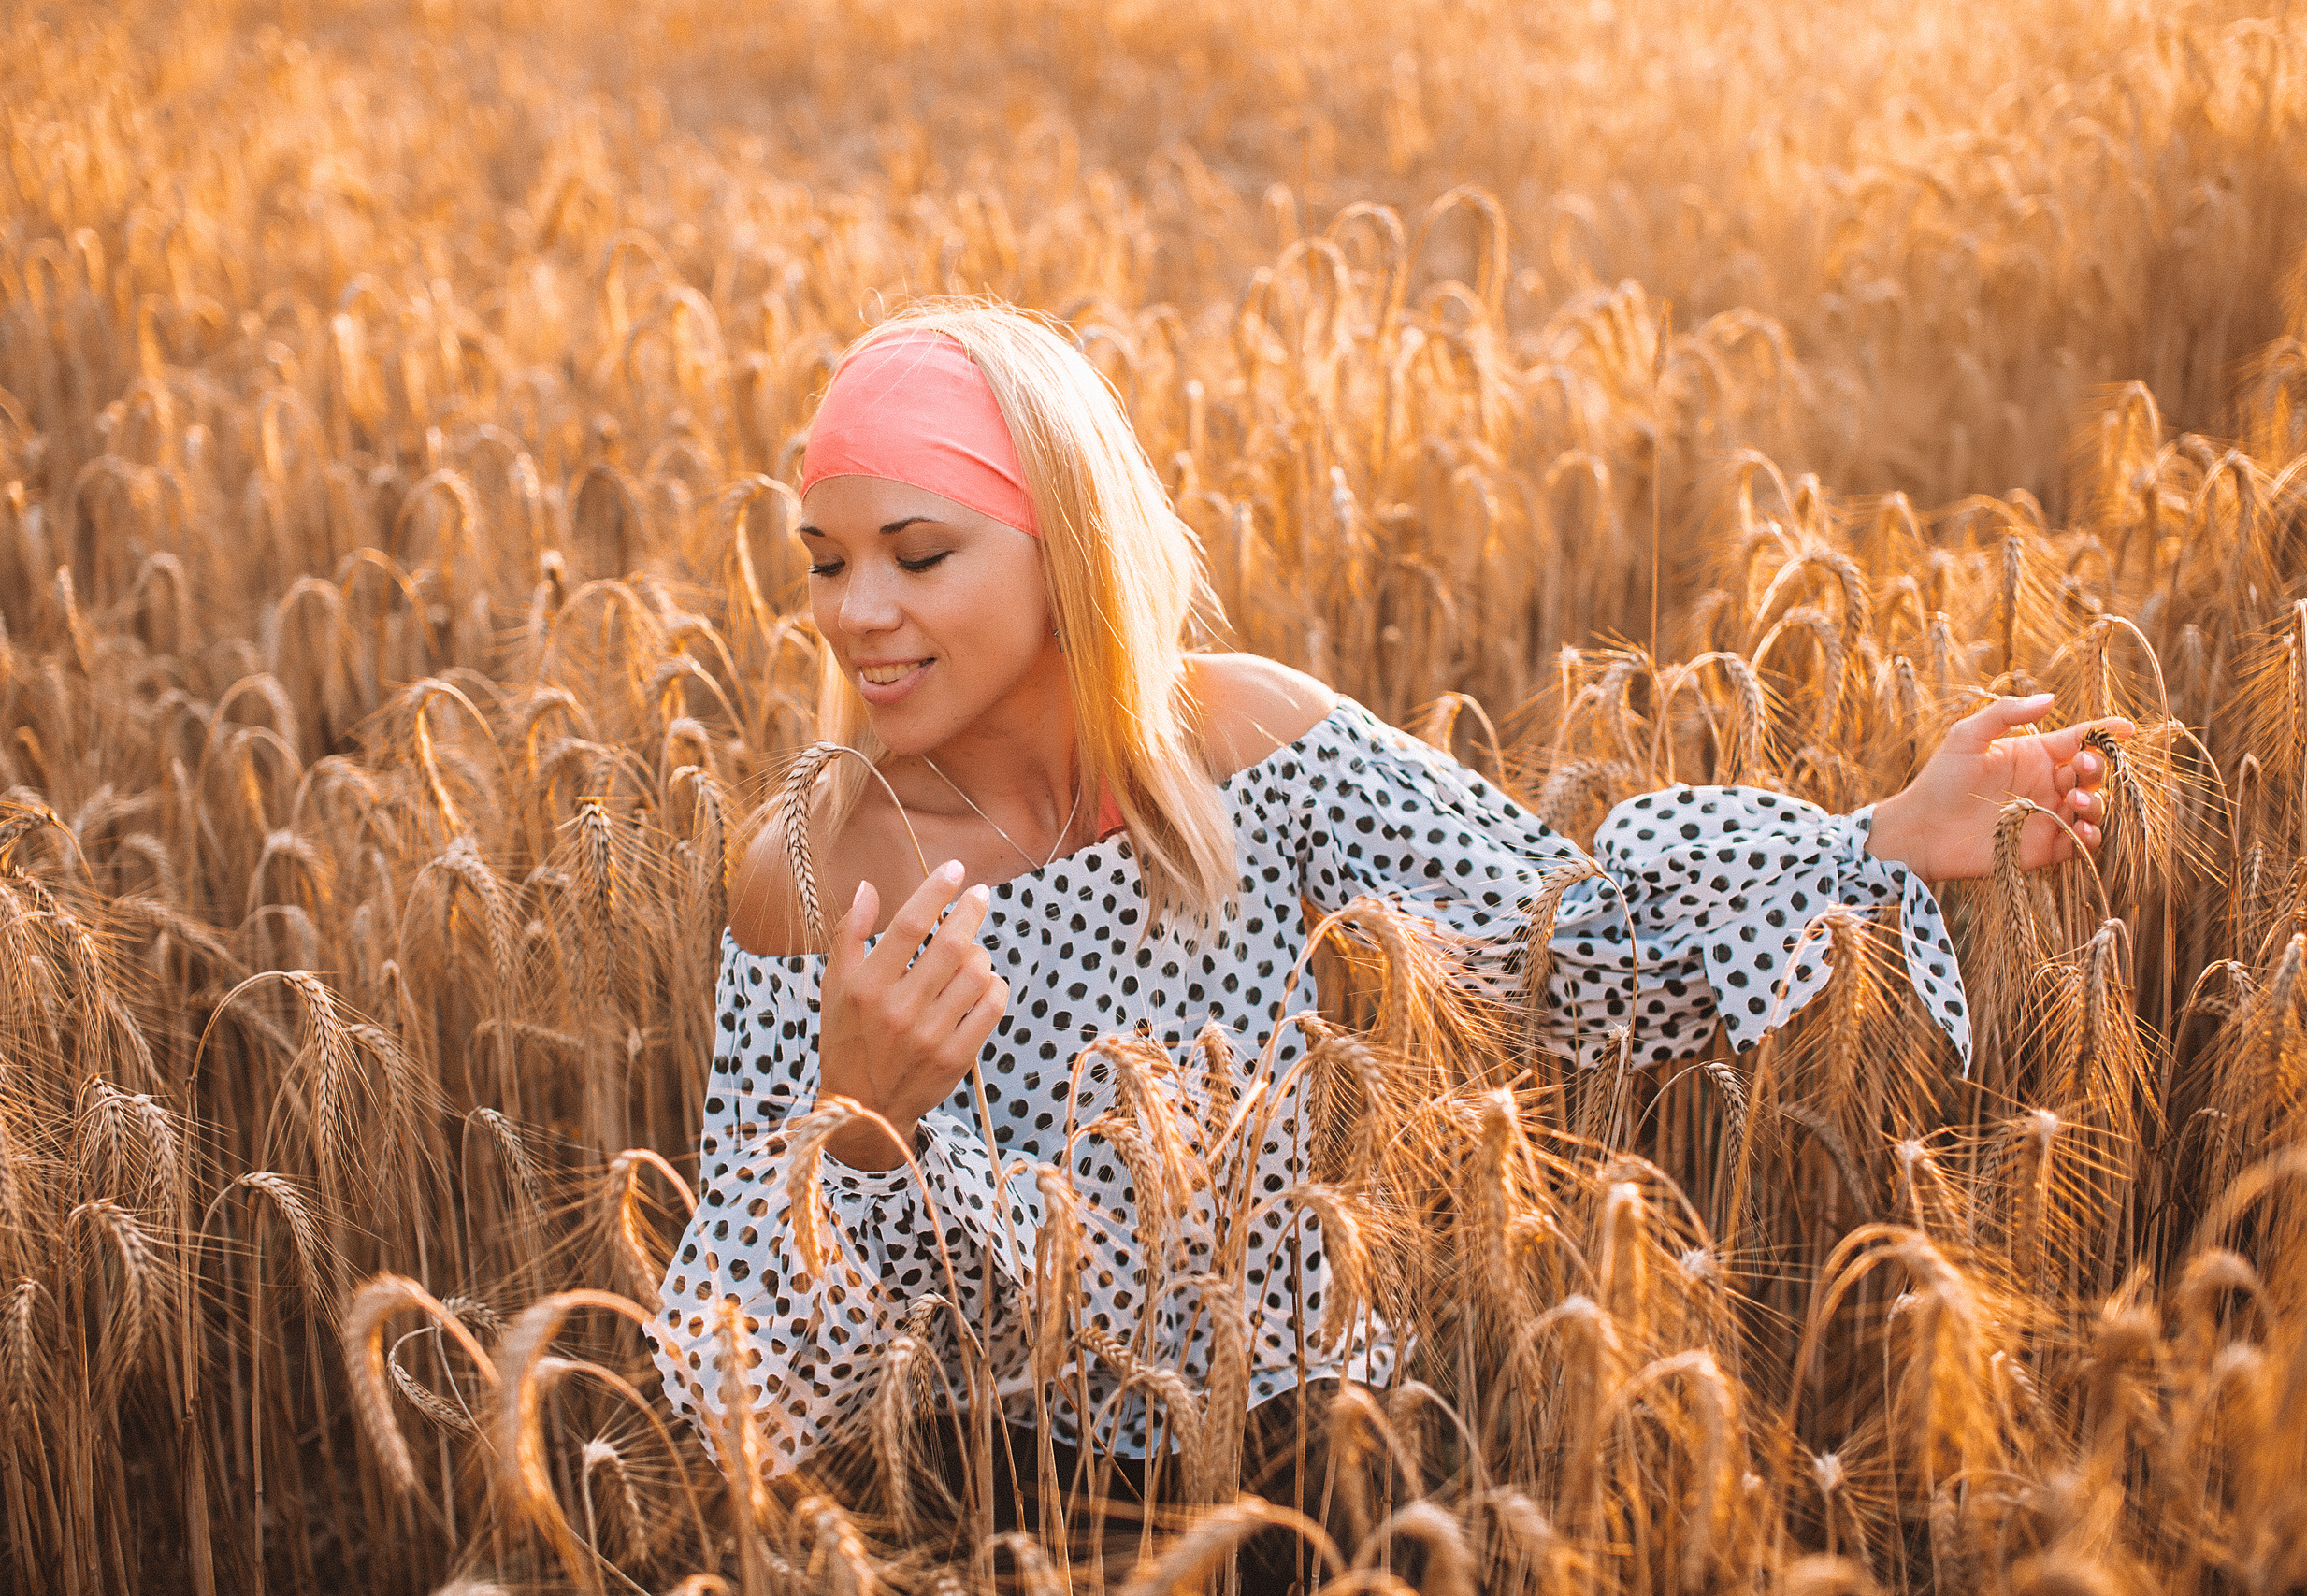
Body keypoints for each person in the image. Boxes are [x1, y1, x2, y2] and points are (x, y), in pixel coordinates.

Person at [649, 302, 2127, 1569]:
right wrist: (848, 1128)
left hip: (1326, 1482)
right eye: (825, 561)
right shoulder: (813, 868)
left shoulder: (1249, 746)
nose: (857, 613)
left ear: (1064, 545)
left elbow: (1575, 967)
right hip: (1005, 1518)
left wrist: (1885, 840)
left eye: (916, 552)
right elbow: (732, 1391)